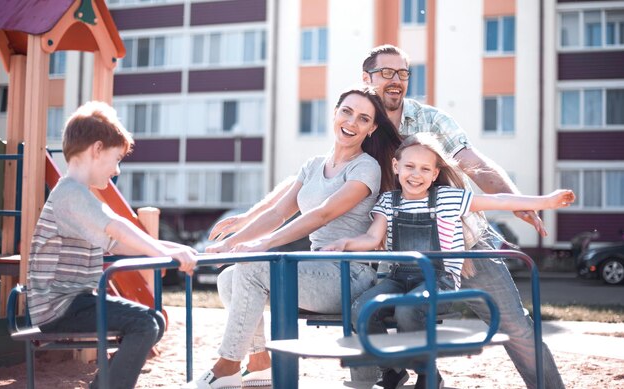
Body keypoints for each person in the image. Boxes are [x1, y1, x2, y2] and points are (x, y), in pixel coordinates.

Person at [208, 44, 567, 389]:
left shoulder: (428, 120)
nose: (396, 79)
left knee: (515, 326)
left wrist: (519, 201)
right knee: (388, 311)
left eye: (403, 73)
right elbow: (301, 187)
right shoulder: (361, 127)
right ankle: (412, 375)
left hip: (458, 242)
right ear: (366, 78)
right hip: (397, 250)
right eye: (386, 72)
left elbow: (475, 164)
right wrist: (244, 222)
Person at [182, 85, 402, 389]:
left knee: (254, 267)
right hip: (314, 270)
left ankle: (226, 367)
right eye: (347, 112)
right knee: (229, 277)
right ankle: (259, 365)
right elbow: (277, 213)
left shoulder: (367, 168)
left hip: (348, 276)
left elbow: (322, 214)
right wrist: (231, 243)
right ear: (335, 113)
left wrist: (263, 245)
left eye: (363, 119)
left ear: (372, 128)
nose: (351, 123)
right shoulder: (313, 165)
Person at [322, 134, 575, 389]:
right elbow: (371, 237)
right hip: (400, 277)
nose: (416, 174)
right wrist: (345, 243)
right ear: (396, 167)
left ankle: (427, 373)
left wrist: (546, 201)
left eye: (424, 169)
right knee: (362, 309)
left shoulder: (449, 198)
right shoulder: (388, 202)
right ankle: (392, 370)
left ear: (434, 174)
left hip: (439, 279)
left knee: (408, 310)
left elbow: (499, 200)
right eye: (409, 166)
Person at [26, 101, 198, 389]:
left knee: (153, 321)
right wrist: (161, 251)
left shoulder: (77, 194)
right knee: (144, 325)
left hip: (74, 301)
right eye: (116, 158)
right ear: (96, 150)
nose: (117, 169)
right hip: (59, 306)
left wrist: (170, 250)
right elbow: (117, 226)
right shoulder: (70, 194)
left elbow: (117, 242)